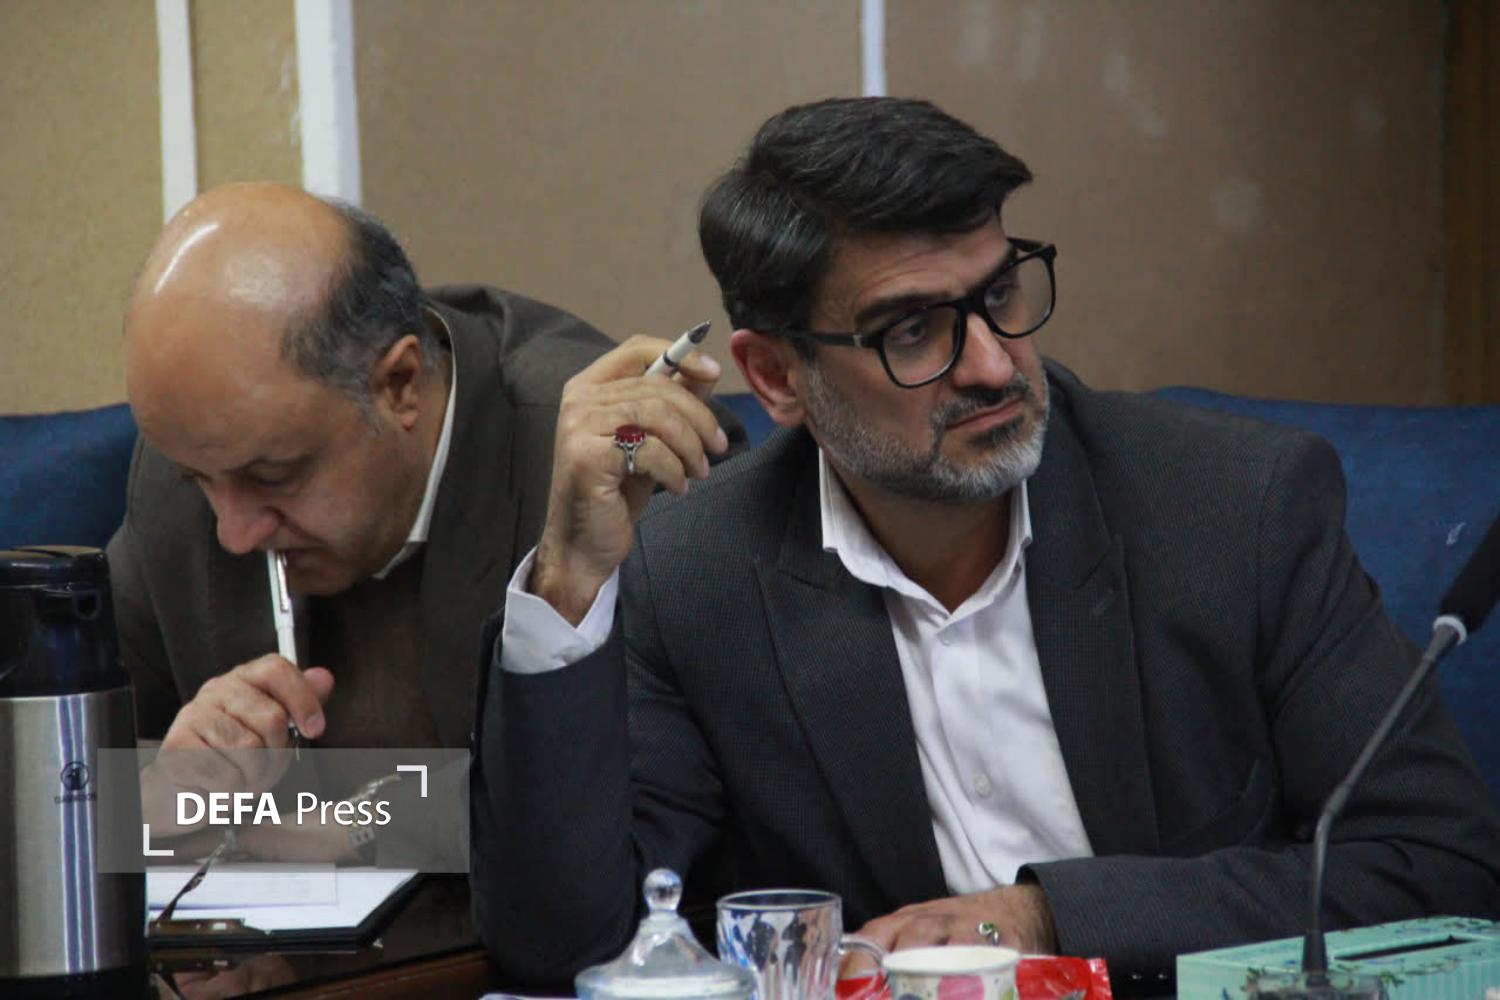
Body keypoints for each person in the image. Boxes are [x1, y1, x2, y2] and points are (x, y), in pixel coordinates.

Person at [470, 98, 1500, 990]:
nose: (996, 366)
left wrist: (1042, 917)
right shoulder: (692, 571)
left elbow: (1438, 865)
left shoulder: (1237, 509)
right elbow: (565, 946)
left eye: (1000, 294)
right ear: (777, 377)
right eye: (913, 330)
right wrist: (571, 579)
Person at [109, 182, 737, 769]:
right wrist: (173, 796)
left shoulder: (613, 472)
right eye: (197, 479)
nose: (233, 533)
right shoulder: (193, 461)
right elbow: (81, 781)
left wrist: (343, 827)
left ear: (399, 384)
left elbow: (675, 808)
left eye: (273, 476)